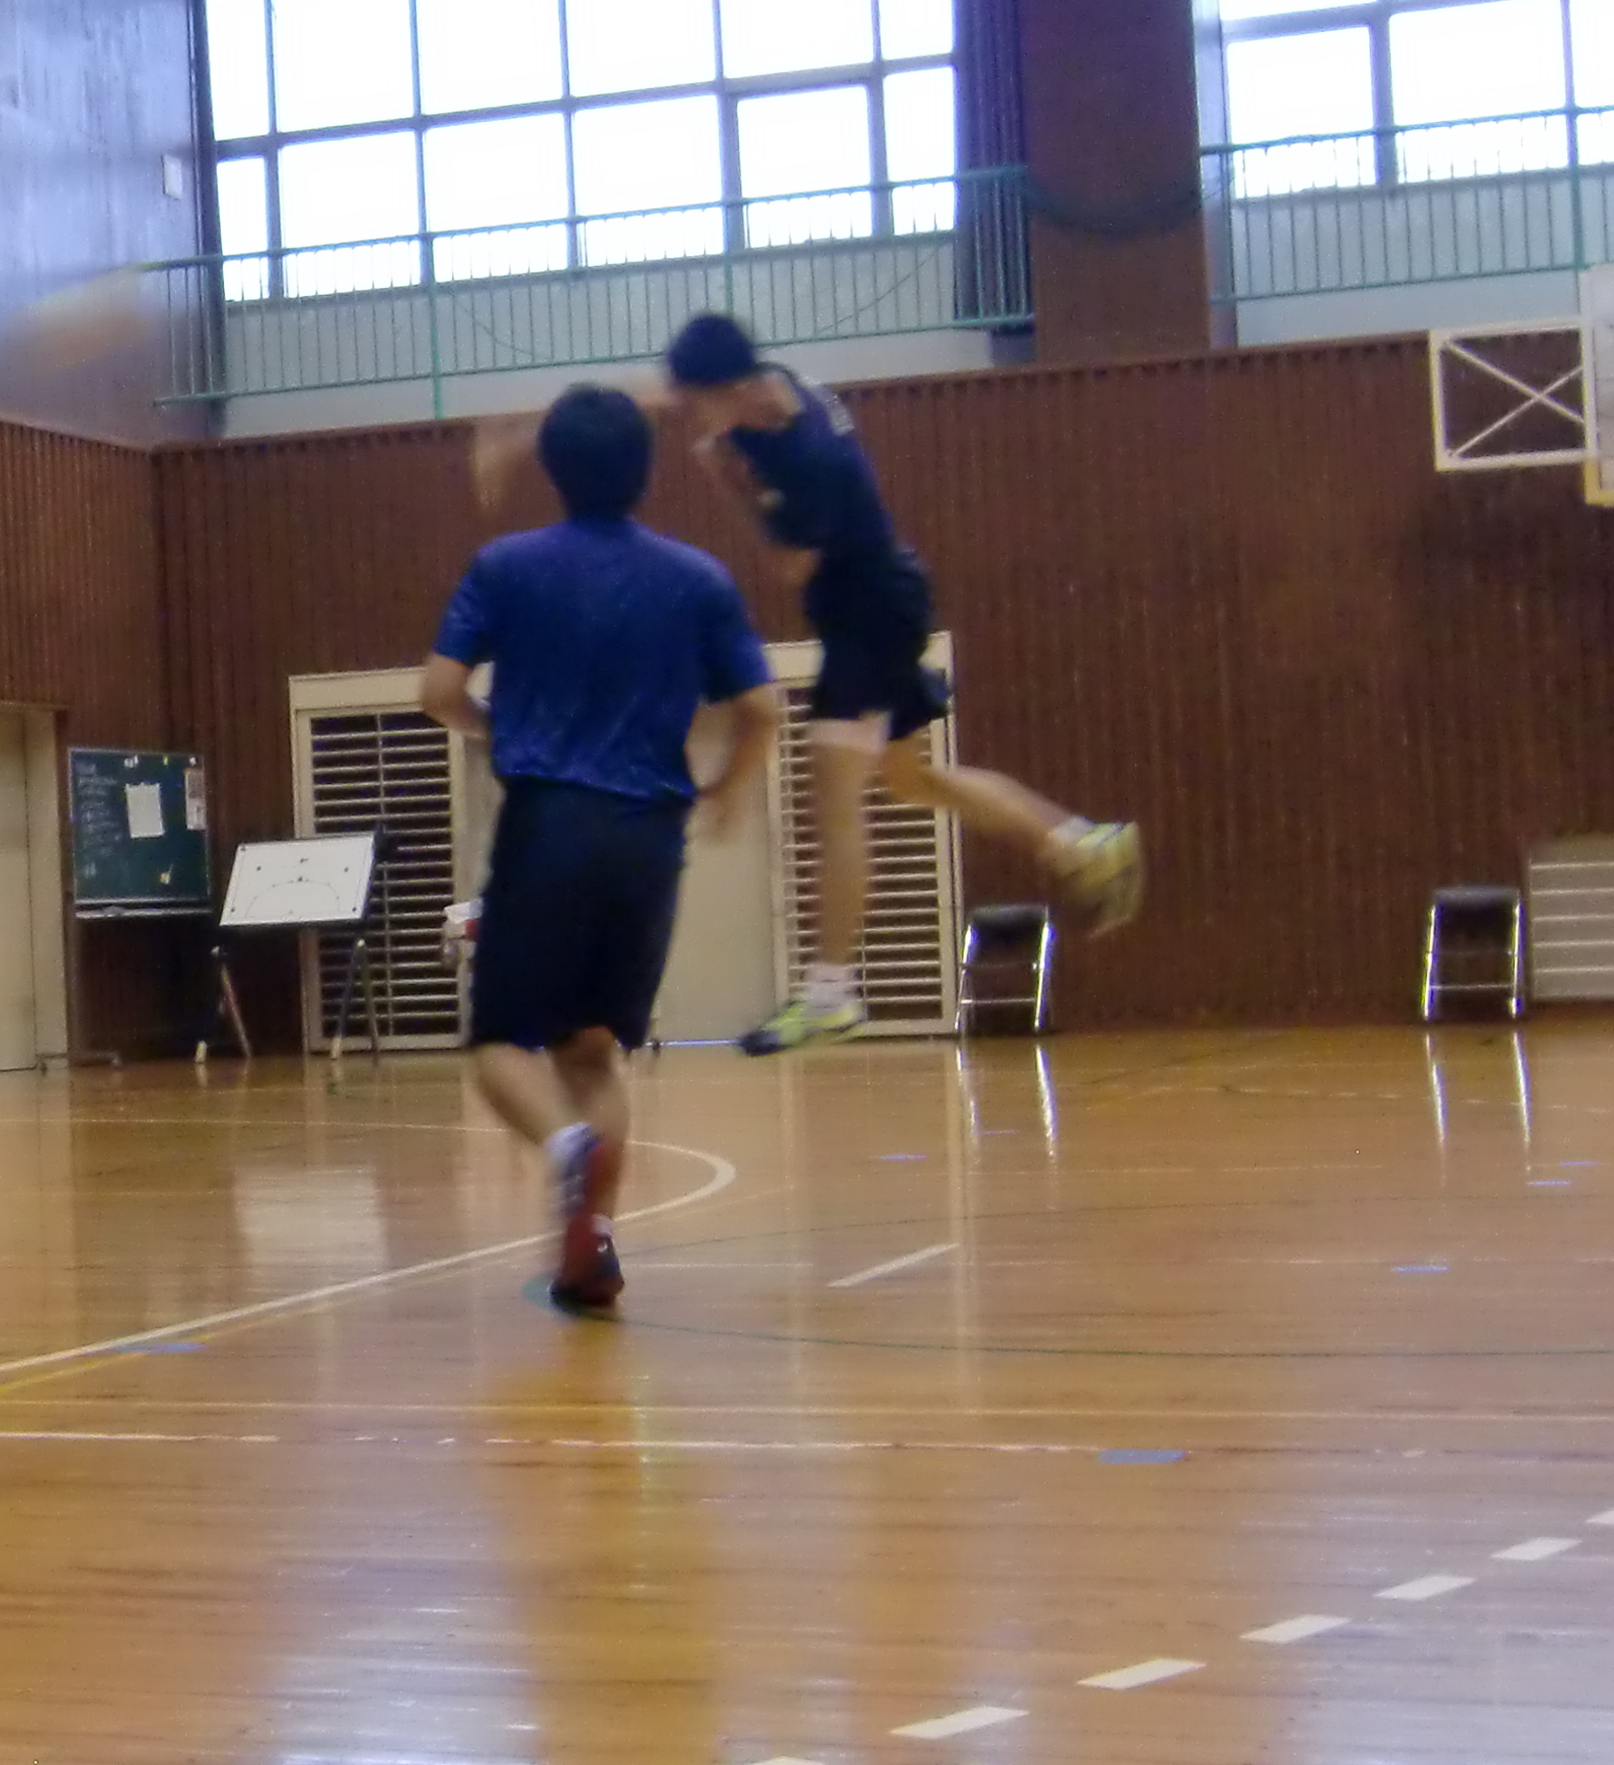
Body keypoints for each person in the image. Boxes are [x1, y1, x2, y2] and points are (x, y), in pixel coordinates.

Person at [647, 313, 1142, 1053]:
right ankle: (1081, 839)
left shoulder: (808, 461)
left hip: (868, 618)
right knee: (913, 782)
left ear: (737, 388)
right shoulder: (769, 391)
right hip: (883, 604)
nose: (692, 414)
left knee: (835, 802)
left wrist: (730, 486)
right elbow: (661, 394)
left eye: (699, 401)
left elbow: (788, 567)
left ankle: (831, 992)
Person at [423, 384, 781, 1316]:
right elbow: (764, 709)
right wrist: (729, 792)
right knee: (593, 1052)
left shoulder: (505, 565)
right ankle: (591, 1253)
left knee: (502, 1042)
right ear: (645, 470)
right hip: (647, 839)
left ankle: (565, 1153)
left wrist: (492, 728)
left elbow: (437, 690)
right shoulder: (697, 576)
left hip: (548, 824)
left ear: (552, 468)